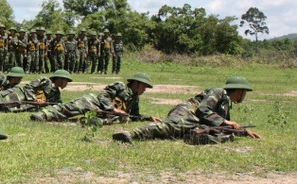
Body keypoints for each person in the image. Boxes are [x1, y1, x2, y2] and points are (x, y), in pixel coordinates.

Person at [113, 76, 262, 143]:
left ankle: (196, 137)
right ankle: (130, 134)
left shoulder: (225, 102)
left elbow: (220, 122)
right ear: (239, 91)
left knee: (220, 133)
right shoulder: (219, 92)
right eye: (244, 92)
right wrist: (226, 122)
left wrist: (242, 130)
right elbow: (203, 110)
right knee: (167, 127)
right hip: (188, 112)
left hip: (195, 120)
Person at [30, 72, 160, 123]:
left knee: (121, 119)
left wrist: (148, 117)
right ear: (136, 83)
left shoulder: (135, 98)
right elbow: (103, 95)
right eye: (143, 86)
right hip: (95, 103)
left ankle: (90, 121)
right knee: (68, 109)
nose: (144, 90)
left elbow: (134, 115)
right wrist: (112, 109)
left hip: (105, 115)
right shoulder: (120, 86)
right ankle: (44, 115)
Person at [0, 69, 72, 112]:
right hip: (19, 93)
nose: (66, 84)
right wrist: (35, 99)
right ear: (60, 79)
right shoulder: (45, 81)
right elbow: (29, 87)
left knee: (2, 107)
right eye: (66, 81)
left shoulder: (56, 94)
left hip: (26, 104)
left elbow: (57, 105)